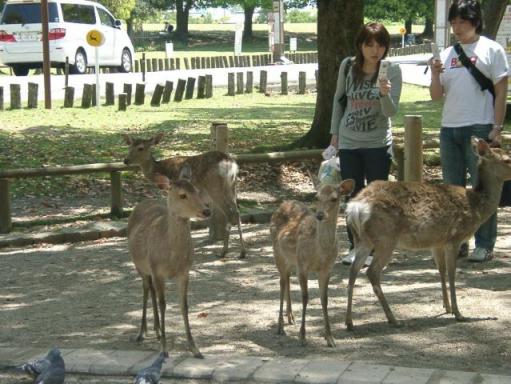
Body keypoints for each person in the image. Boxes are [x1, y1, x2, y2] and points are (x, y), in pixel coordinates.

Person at [430, 0, 509, 262]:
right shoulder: (448, 54)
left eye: (461, 21)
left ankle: (484, 243)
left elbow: (500, 91)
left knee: (482, 189)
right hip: (449, 127)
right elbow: (436, 96)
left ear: (475, 22)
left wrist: (496, 128)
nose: (456, 27)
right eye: (453, 22)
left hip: (479, 126)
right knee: (452, 191)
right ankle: (457, 240)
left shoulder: (491, 49)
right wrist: (434, 74)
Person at [329, 22, 402, 265]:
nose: (375, 50)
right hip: (349, 141)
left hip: (377, 143)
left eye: (380, 45)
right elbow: (339, 101)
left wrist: (384, 94)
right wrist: (334, 136)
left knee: (376, 200)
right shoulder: (348, 66)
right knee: (354, 197)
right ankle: (356, 246)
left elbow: (391, 112)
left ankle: (375, 250)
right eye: (369, 44)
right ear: (360, 45)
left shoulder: (391, 70)